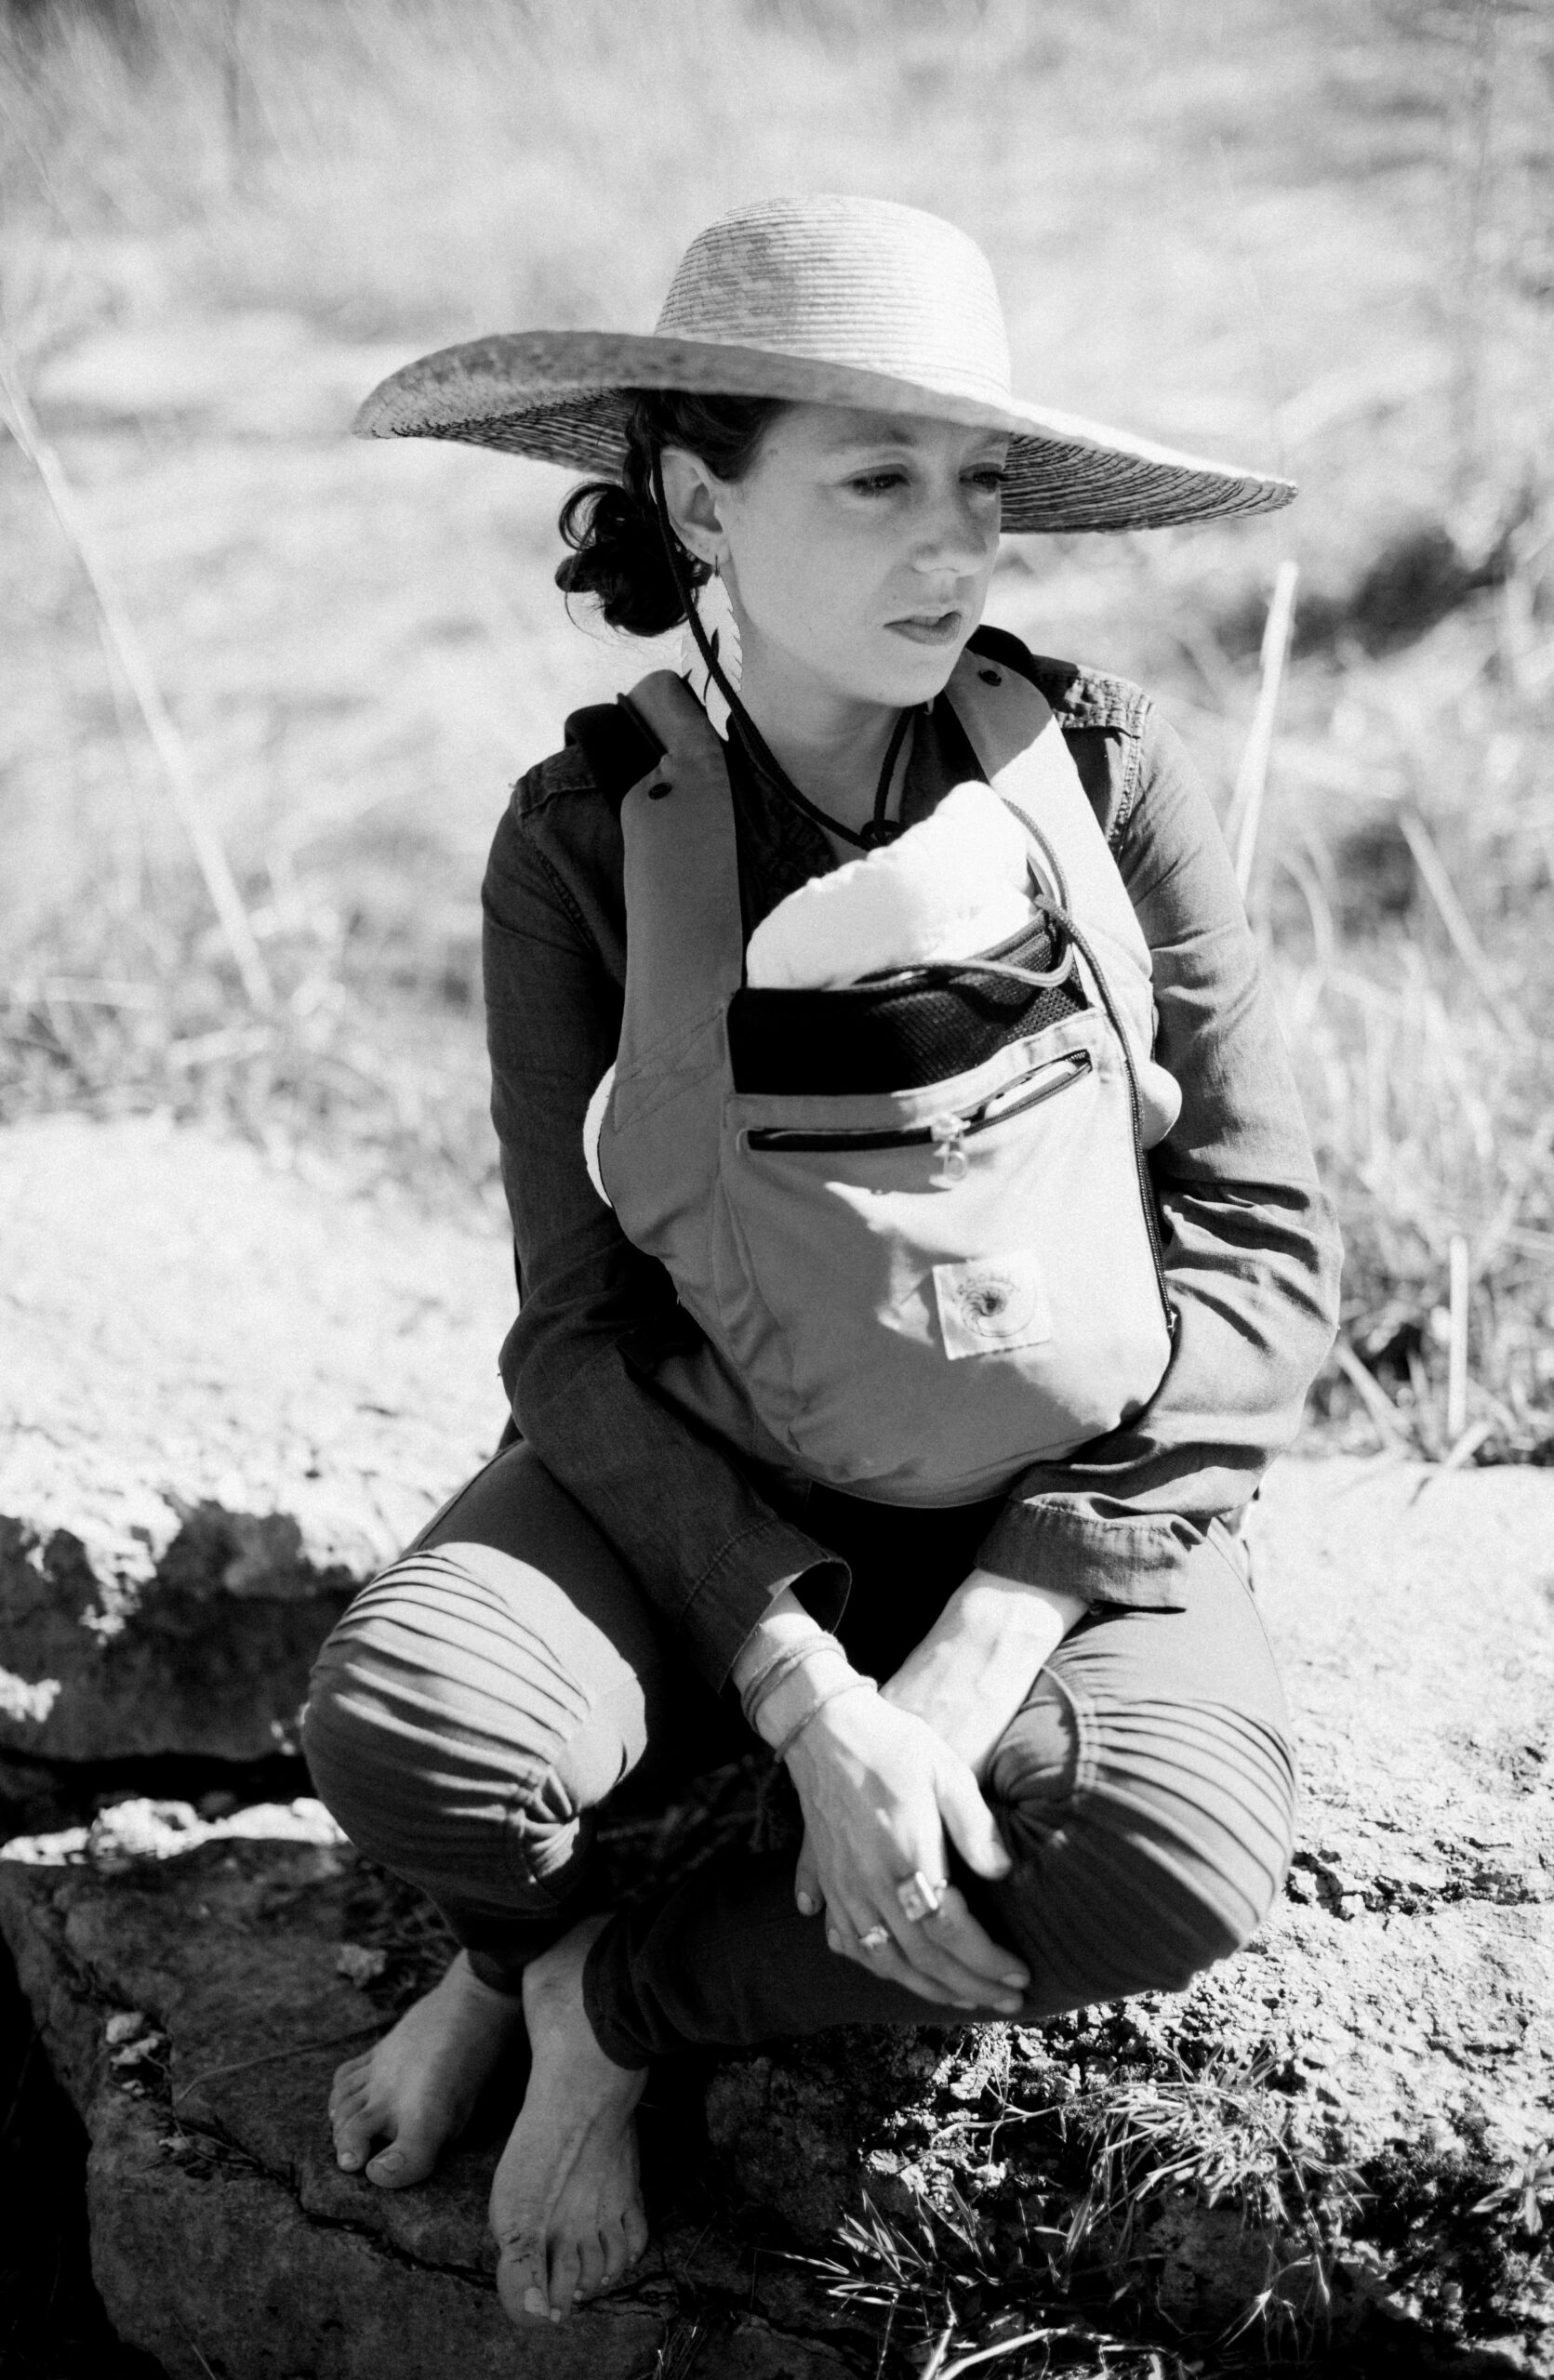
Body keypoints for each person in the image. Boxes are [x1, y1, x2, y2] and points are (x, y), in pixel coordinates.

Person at [302, 194, 1341, 2336]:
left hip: (1051, 1480)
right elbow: (572, 1333)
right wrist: (796, 1690)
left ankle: (610, 1994)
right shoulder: (579, 844)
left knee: (1164, 1859)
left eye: (976, 489)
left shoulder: (1097, 774)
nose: (948, 548)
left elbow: (1259, 1224)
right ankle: (502, 1940)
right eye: (873, 481)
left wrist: (982, 1645)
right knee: (414, 1735)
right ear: (698, 502)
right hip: (716, 1461)